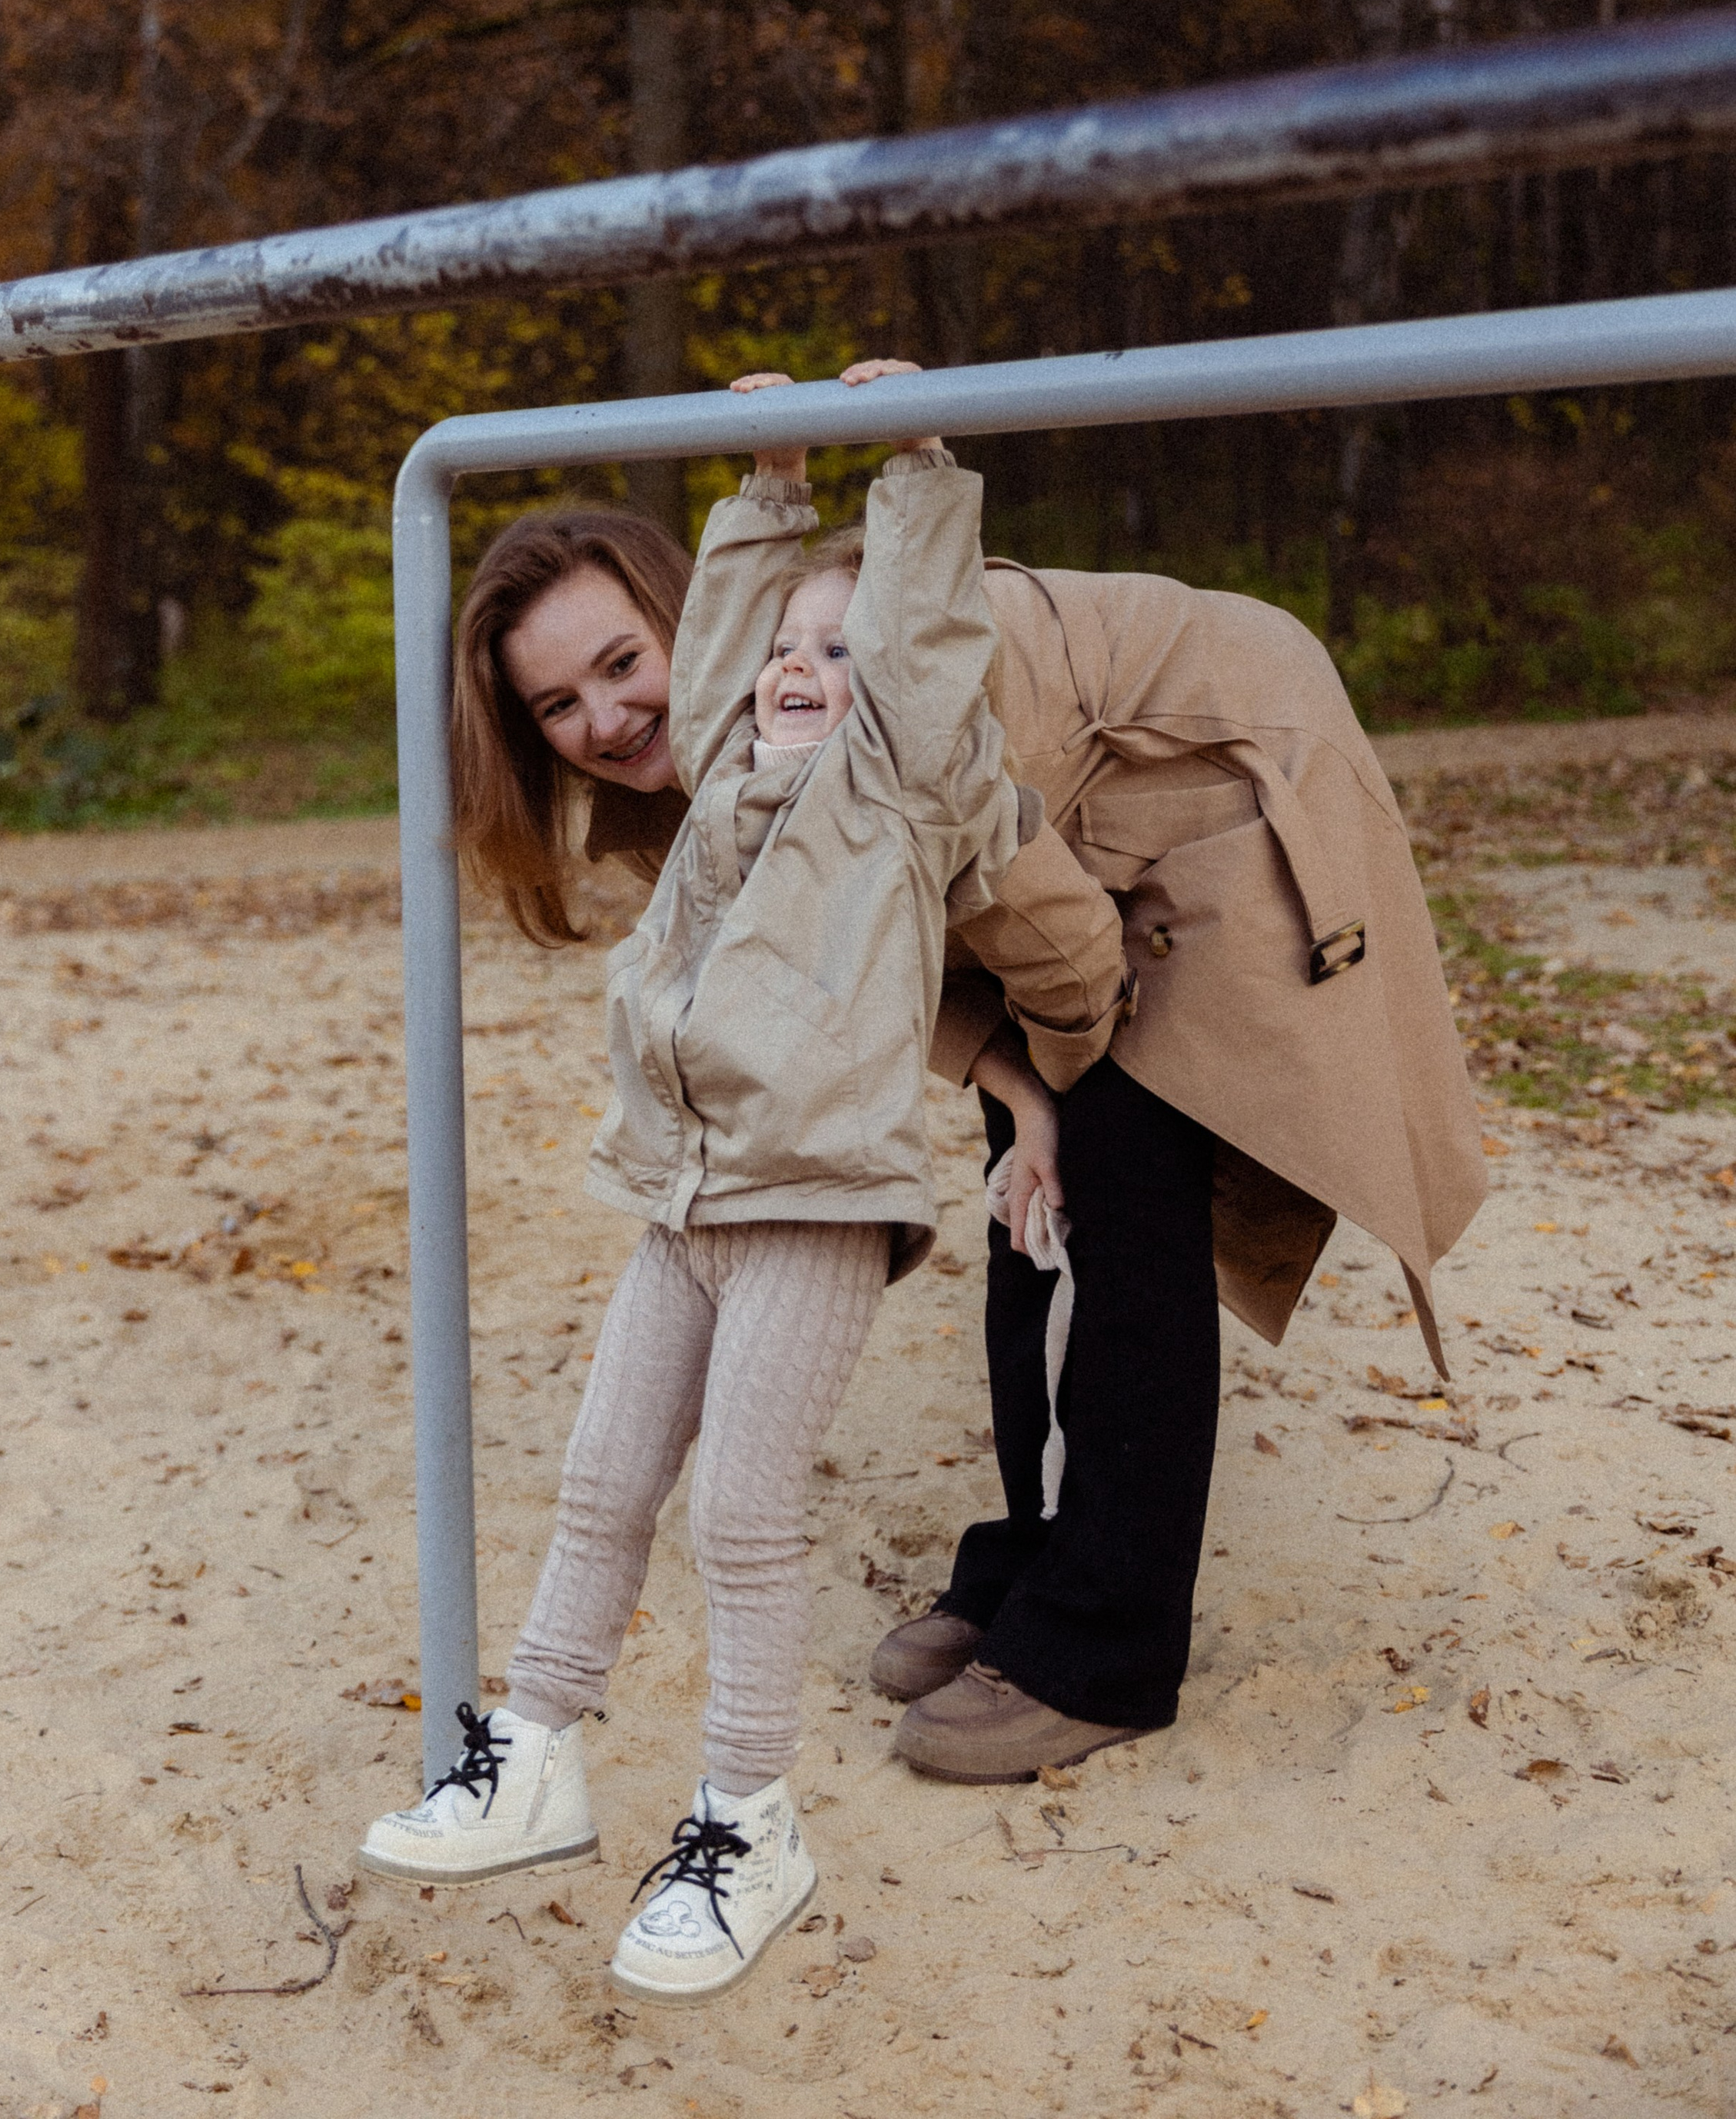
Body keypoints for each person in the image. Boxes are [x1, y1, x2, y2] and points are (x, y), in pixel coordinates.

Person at [430, 358, 1483, 1789]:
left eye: (624, 665)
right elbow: (878, 973)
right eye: (556, 705)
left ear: (704, 620)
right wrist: (1018, 1097)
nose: (605, 722)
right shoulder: (731, 764)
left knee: (1120, 1173)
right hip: (1036, 871)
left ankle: (1101, 1649)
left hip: (1206, 775)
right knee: (1026, 1192)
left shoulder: (890, 708)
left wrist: (1051, 1090)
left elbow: (1050, 946)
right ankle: (1028, 1567)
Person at [361, 409, 1056, 1998]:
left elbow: (924, 649)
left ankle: (748, 1820)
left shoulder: (899, 787)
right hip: (684, 1197)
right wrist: (765, 489)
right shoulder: (731, 780)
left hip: (811, 1205)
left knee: (741, 1514)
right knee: (602, 1480)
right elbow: (727, 644)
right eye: (779, 652)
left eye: (838, 645)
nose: (800, 667)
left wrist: (908, 476)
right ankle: (531, 1751)